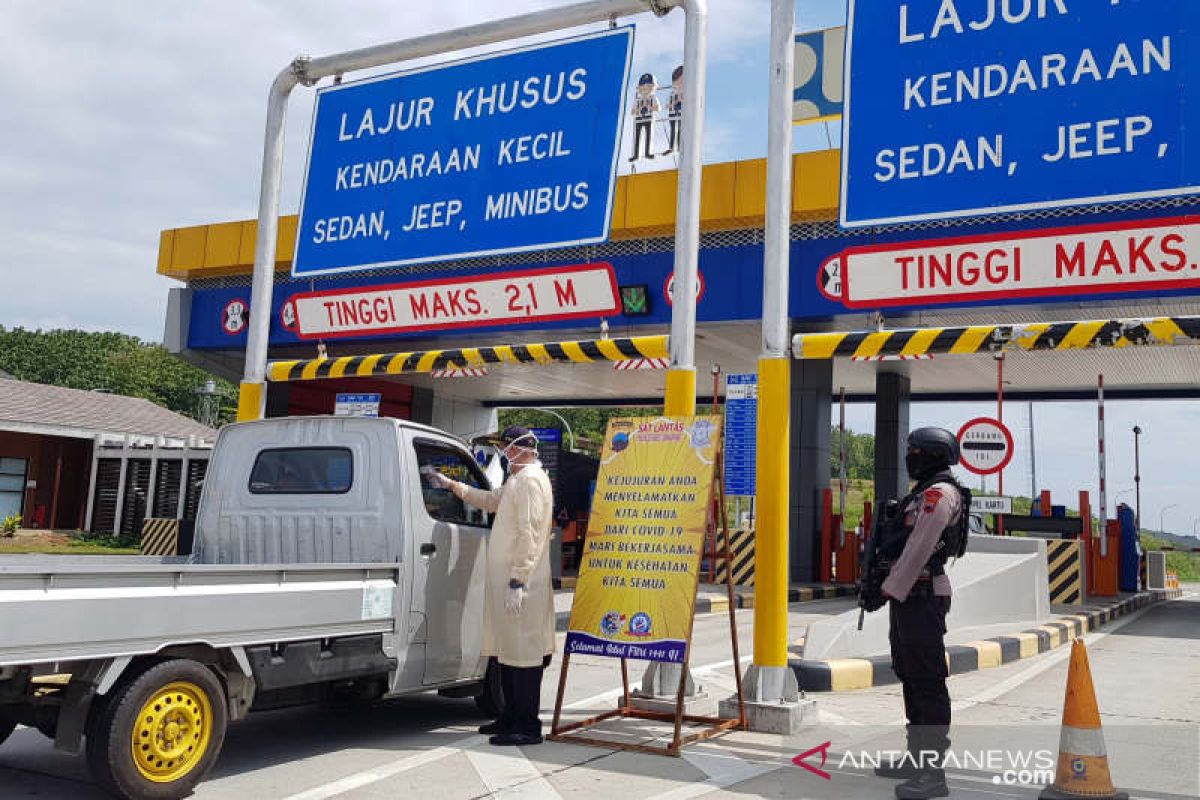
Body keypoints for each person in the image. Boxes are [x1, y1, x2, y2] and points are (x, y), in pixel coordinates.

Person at [428, 426, 555, 746]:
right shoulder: (517, 480)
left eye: (505, 446)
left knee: (524, 656)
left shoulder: (530, 482)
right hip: (508, 585)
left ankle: (527, 726)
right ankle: (510, 717)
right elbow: (489, 500)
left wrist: (518, 580)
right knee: (507, 653)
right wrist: (451, 485)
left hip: (522, 587)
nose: (502, 452)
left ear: (522, 448)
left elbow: (530, 535)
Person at [874, 427, 965, 800]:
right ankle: (916, 760)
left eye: (914, 452)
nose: (909, 458)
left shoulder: (938, 495)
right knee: (910, 675)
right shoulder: (921, 494)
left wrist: (885, 589)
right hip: (911, 596)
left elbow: (919, 549)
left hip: (923, 596)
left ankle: (933, 774)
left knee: (927, 682)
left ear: (929, 455)